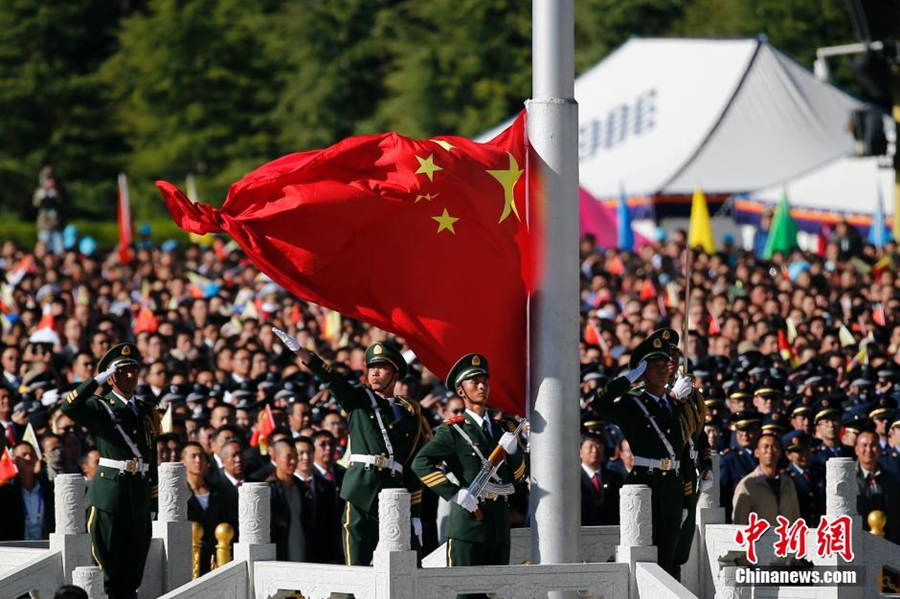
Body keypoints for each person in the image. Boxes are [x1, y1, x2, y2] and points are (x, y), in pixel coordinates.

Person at [274, 329, 431, 566]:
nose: (375, 372)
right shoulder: (358, 399)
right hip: (361, 491)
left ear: (396, 373)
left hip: (393, 492)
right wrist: (303, 353)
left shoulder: (409, 414)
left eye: (382, 367)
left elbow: (410, 466)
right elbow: (332, 379)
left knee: (401, 566)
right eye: (371, 367)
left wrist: (415, 512)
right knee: (357, 563)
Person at [411, 353, 525, 599]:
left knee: (497, 593)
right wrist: (454, 493)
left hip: (498, 527)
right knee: (464, 594)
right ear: (461, 391)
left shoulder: (502, 429)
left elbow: (517, 477)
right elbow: (420, 463)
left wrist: (515, 452)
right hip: (468, 526)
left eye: (484, 380)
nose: (482, 386)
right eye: (475, 382)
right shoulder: (454, 430)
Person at [60, 343, 159, 599]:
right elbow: (69, 407)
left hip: (137, 495)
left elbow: (151, 453)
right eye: (123, 370)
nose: (130, 375)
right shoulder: (100, 406)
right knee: (110, 568)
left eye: (134, 369)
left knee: (134, 568)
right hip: (110, 496)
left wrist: (153, 497)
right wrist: (97, 380)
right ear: (111, 376)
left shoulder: (147, 410)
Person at [590, 332, 688, 576]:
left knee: (670, 554)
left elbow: (684, 447)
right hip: (646, 481)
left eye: (665, 364)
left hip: (672, 486)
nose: (663, 370)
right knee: (645, 553)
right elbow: (598, 404)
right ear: (643, 370)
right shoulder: (633, 403)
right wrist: (628, 379)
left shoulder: (676, 404)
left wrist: (686, 491)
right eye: (654, 366)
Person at [182, 442, 231, 574]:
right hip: (188, 558)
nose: (198, 460)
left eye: (201, 456)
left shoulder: (218, 492)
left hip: (216, 556)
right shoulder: (179, 494)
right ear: (183, 461)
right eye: (193, 456)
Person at [732, 432, 800, 525]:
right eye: (765, 446)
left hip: (785, 538)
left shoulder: (788, 482)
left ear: (780, 452)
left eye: (774, 446)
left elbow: (795, 518)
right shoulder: (747, 484)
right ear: (756, 452)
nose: (770, 451)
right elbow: (739, 522)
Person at [0, 441, 55, 540]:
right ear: (14, 460)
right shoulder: (6, 492)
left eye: (32, 454)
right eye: (24, 455)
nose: (29, 458)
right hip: (18, 548)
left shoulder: (48, 488)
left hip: (46, 546)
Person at [855, 430, 900, 543]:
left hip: (889, 543)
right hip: (860, 543)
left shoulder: (890, 479)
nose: (869, 450)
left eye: (873, 445)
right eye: (864, 445)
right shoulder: (849, 479)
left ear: (880, 449)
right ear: (856, 450)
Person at [579, 432, 622, 526]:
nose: (595, 450)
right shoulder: (574, 479)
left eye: (598, 446)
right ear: (580, 452)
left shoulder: (615, 477)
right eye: (590, 447)